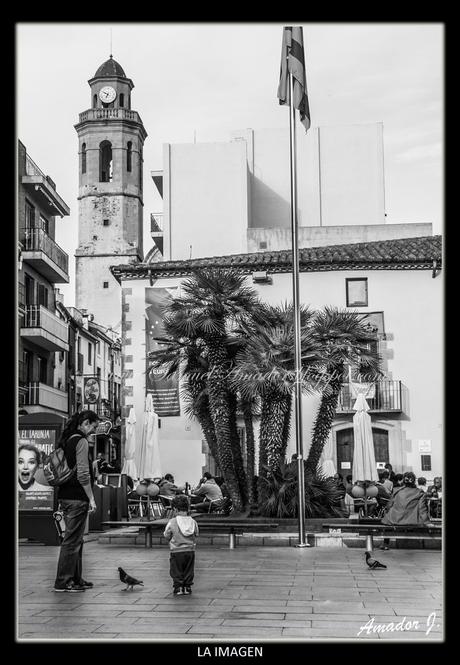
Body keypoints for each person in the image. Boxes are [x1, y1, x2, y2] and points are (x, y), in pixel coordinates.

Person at [53, 410, 99, 593]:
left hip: (65, 495)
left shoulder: (66, 439)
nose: (92, 431)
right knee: (71, 541)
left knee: (75, 540)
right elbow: (83, 473)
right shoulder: (80, 441)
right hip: (77, 497)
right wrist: (91, 497)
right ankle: (63, 581)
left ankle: (76, 578)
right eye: (93, 427)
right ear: (86, 422)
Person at [163, 494, 199, 595]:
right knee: (188, 569)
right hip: (190, 550)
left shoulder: (172, 521)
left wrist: (170, 538)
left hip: (176, 551)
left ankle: (178, 587)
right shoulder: (193, 521)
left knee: (176, 569)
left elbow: (167, 534)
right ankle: (187, 587)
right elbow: (196, 533)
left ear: (175, 509)